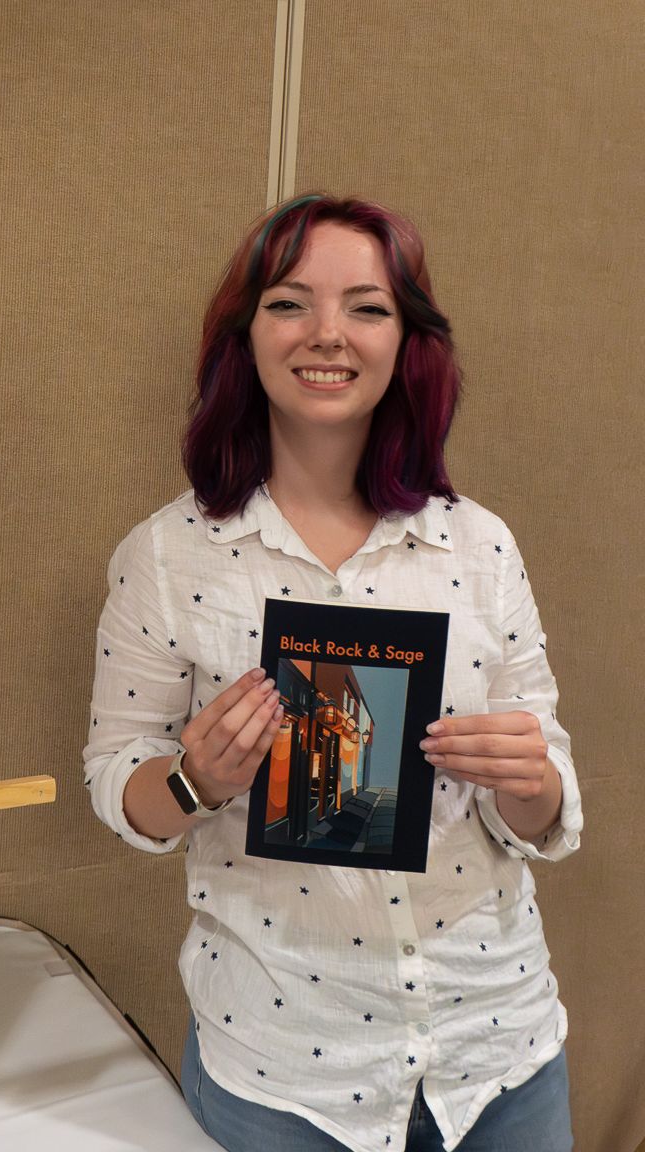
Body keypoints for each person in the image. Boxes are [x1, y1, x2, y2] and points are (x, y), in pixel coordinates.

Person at [83, 194, 582, 1152]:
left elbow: (541, 800)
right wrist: (196, 779)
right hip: (284, 1068)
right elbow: (118, 783)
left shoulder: (478, 545)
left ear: (407, 341)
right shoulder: (168, 555)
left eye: (366, 306)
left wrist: (531, 784)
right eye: (288, 303)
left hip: (500, 1047)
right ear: (245, 335)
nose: (327, 335)